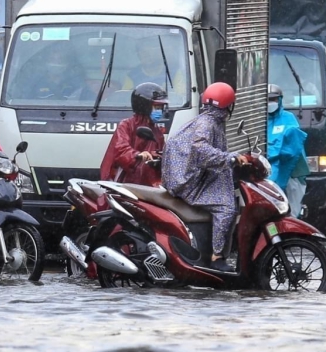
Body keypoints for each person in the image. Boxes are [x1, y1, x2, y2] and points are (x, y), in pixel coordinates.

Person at [161, 82, 247, 272]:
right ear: (228, 105)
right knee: (226, 208)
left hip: (192, 175)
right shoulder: (207, 123)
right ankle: (216, 257)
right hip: (188, 181)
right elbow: (200, 149)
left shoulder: (211, 120)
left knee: (225, 187)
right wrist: (229, 157)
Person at [99, 82, 166, 187]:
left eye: (161, 108)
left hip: (148, 184)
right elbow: (120, 149)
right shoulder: (126, 125)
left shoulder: (158, 132)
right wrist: (137, 155)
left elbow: (162, 153)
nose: (159, 111)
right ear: (145, 106)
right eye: (156, 107)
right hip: (126, 182)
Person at [265, 83, 309, 218]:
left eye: (273, 99)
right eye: (267, 100)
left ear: (280, 100)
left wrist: (271, 152)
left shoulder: (288, 119)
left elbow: (291, 147)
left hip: (289, 173)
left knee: (290, 212)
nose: (270, 103)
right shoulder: (260, 120)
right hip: (265, 172)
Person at [122, 34, 188, 100]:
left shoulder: (173, 72)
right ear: (138, 55)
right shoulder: (132, 76)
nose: (146, 56)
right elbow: (125, 99)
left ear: (158, 53)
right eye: (142, 52)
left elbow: (181, 97)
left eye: (149, 52)